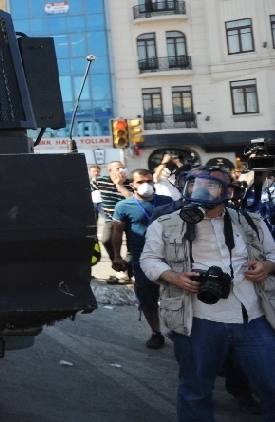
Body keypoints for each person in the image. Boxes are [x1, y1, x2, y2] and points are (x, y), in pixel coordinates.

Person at [141, 166, 275, 421]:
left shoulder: (251, 220)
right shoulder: (165, 223)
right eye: (195, 184)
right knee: (195, 391)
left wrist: (267, 266)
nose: (201, 189)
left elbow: (273, 254)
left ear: (228, 191)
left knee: (272, 385)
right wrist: (174, 277)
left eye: (211, 184)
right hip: (198, 321)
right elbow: (149, 260)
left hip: (252, 317)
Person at [111, 168, 174, 349]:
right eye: (140, 182)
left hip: (170, 256)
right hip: (143, 259)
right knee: (147, 296)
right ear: (132, 184)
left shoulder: (167, 202)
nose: (145, 185)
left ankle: (178, 330)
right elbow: (117, 232)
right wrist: (117, 256)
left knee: (178, 295)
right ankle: (156, 332)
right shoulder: (124, 206)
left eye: (148, 181)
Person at [94, 161, 133, 283]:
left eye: (123, 168)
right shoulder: (100, 181)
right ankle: (118, 264)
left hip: (129, 219)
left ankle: (128, 270)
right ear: (110, 170)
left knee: (132, 246)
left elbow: (133, 199)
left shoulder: (129, 182)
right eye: (117, 168)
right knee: (106, 239)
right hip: (111, 218)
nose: (121, 170)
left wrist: (120, 185)